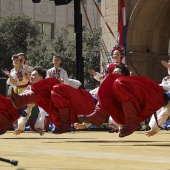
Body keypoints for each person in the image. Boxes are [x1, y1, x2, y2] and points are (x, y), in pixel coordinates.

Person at [77, 69, 170, 137]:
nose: (114, 73)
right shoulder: (118, 89)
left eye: (117, 72)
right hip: (146, 99)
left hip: (157, 96)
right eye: (114, 71)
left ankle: (131, 122)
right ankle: (97, 116)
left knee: (117, 82)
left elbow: (164, 112)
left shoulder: (123, 83)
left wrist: (155, 129)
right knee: (110, 86)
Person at [8, 71, 95, 134]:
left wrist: (63, 83)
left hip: (74, 107)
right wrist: (21, 127)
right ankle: (64, 124)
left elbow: (77, 85)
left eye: (34, 75)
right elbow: (27, 108)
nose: (31, 77)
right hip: (58, 116)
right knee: (35, 97)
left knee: (57, 89)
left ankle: (65, 124)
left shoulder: (54, 84)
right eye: (31, 75)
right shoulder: (31, 89)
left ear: (41, 78)